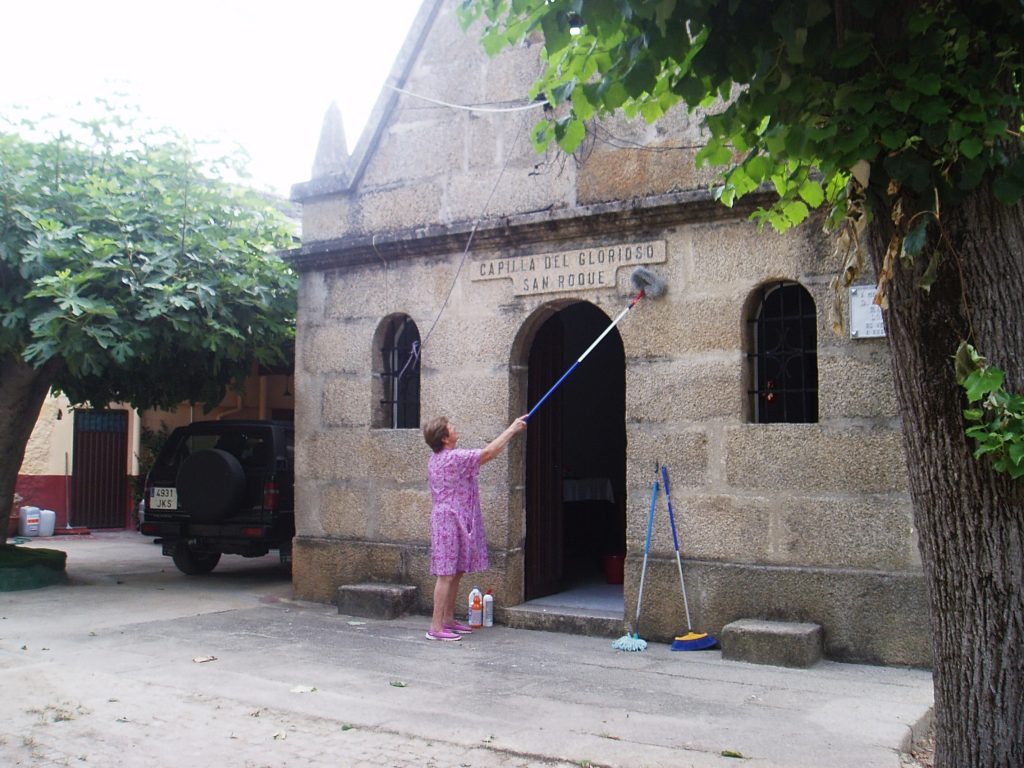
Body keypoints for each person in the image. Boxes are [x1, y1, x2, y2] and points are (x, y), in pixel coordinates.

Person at [422, 414, 527, 641]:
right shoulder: (451, 458)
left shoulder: (441, 458)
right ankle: (436, 626)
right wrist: (513, 429)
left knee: (456, 570)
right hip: (448, 520)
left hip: (454, 519)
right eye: (451, 427)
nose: (455, 428)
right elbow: (488, 453)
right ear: (444, 438)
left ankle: (448, 620)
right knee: (446, 574)